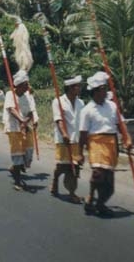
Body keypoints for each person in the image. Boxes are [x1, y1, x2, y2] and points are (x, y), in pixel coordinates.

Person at [79, 71, 120, 217]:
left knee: (109, 186)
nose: (106, 91)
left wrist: (126, 139)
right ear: (96, 91)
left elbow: (119, 125)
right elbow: (83, 134)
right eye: (104, 88)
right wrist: (79, 153)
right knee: (98, 174)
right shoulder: (87, 110)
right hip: (95, 143)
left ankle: (100, 203)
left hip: (111, 144)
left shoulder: (112, 106)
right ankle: (90, 196)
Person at [50, 75, 84, 203]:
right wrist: (64, 133)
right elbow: (58, 120)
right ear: (70, 88)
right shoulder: (58, 101)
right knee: (62, 166)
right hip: (63, 139)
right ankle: (55, 179)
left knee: (74, 168)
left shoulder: (81, 103)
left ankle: (72, 192)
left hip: (76, 139)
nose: (79, 88)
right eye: (77, 86)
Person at [3, 70, 38, 190]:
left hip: (25, 128)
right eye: (26, 84)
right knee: (17, 154)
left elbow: (30, 112)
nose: (28, 87)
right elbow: (11, 109)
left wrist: (26, 122)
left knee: (28, 153)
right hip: (13, 128)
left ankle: (15, 168)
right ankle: (17, 182)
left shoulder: (27, 97)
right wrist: (21, 121)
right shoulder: (9, 94)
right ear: (19, 85)